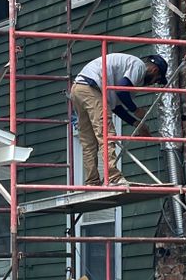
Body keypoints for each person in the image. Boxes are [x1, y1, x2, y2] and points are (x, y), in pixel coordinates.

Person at [70, 52, 168, 187]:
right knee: (106, 133)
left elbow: (117, 107)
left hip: (78, 88)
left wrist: (137, 124)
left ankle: (92, 182)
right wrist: (136, 110)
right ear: (154, 70)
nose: (152, 84)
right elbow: (122, 91)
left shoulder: (128, 74)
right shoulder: (138, 66)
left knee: (89, 140)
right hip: (91, 87)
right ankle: (113, 177)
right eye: (156, 79)